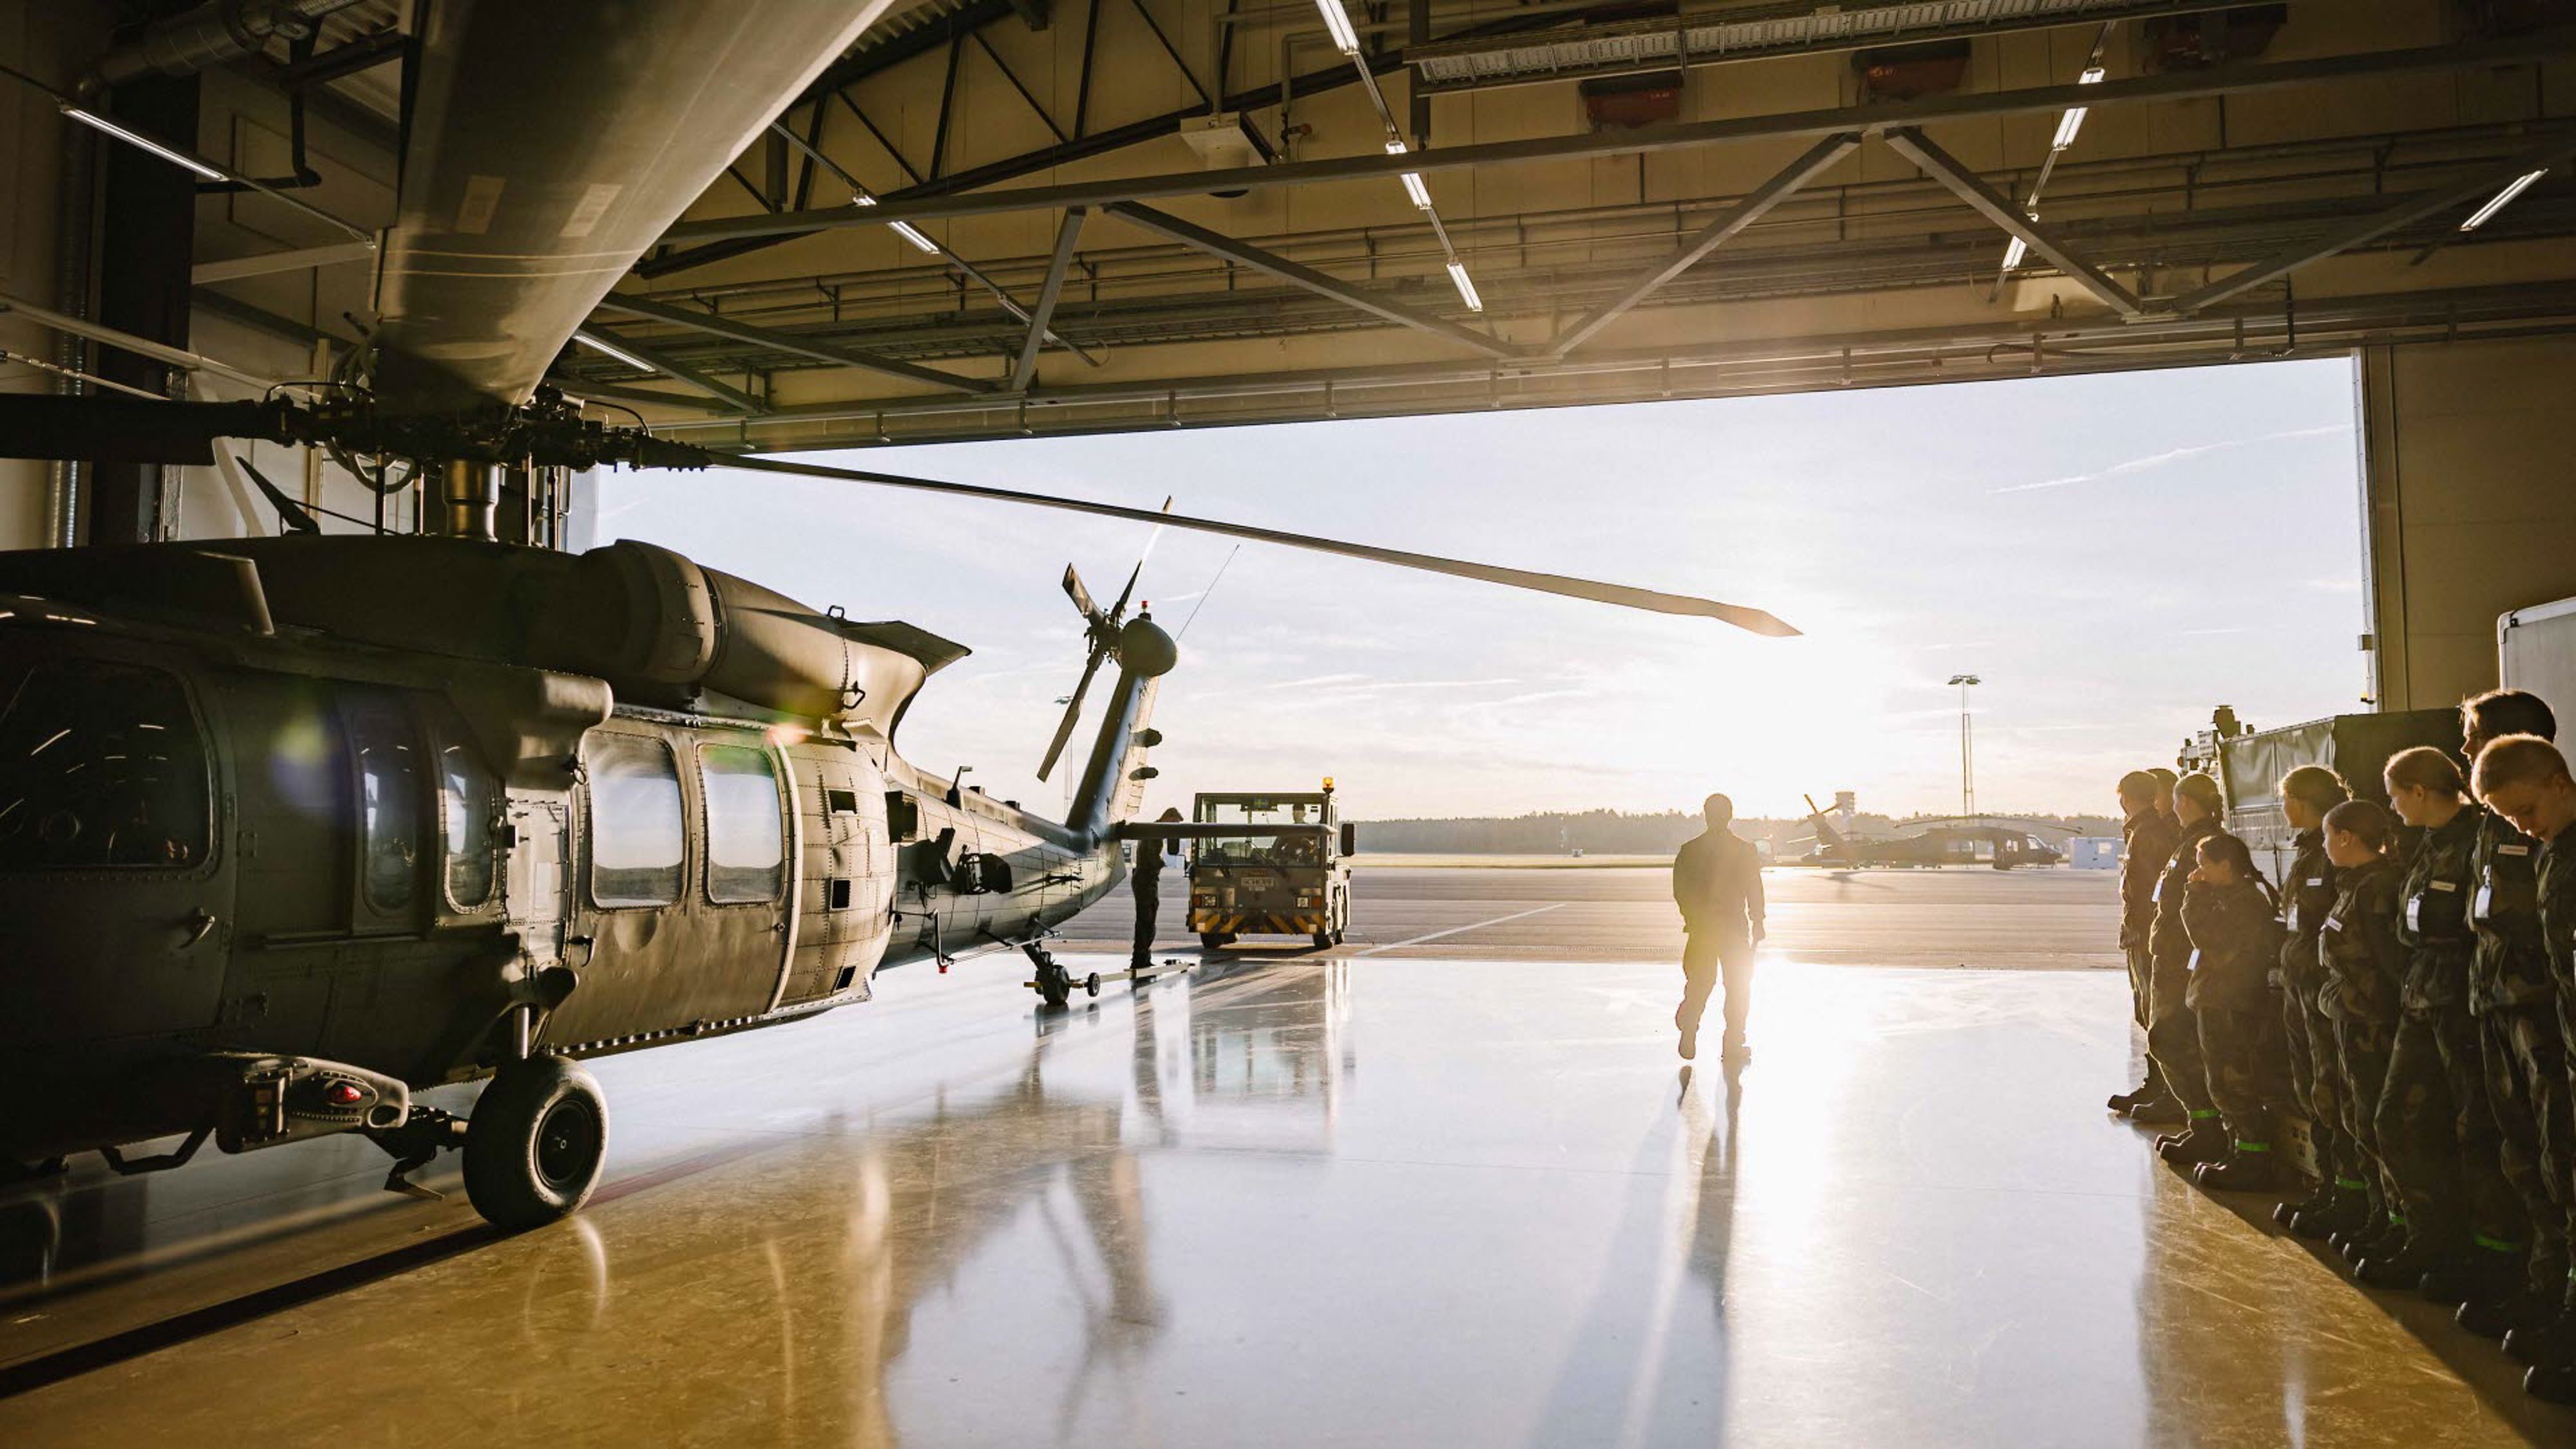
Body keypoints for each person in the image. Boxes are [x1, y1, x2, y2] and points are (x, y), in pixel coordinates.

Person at [2358, 747, 2528, 1302]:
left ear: (2420, 792)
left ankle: (2491, 1257)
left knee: (2475, 1131)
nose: (2391, 806)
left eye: (2395, 794)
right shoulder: (2427, 847)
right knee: (2397, 1120)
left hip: (2466, 1005)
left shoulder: (2482, 841)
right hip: (2423, 999)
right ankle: (2431, 1239)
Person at [2456, 692, 2572, 1350]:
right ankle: (2543, 1287)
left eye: (2472, 738)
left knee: (2561, 1170)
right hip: (2511, 1016)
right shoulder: (2515, 831)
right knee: (2528, 1162)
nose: (2466, 751)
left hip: (2549, 1030)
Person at [2316, 799, 2410, 1271]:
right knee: (2358, 1119)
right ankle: (2381, 1214)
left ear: (2347, 837)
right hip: (2352, 1018)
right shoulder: (2354, 886)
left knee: (2378, 1123)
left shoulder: (2377, 889)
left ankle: (2401, 1223)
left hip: (2375, 1023)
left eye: (2329, 835)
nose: (2326, 845)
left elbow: (2392, 964)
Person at [2275, 766, 2367, 1238]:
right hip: (2303, 990)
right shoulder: (2310, 851)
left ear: (2300, 800)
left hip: (2327, 993)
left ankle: (2350, 1193)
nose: (2283, 807)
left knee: (2334, 1093)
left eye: (2286, 798)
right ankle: (2331, 1186)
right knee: (2314, 1088)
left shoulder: (2335, 851)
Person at [2181, 830, 2292, 1191]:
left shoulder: (2243, 903)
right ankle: (2239, 1149)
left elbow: (2208, 940)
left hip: (2231, 1001)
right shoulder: (2230, 896)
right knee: (2222, 1082)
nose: (2197, 873)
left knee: (2232, 1083)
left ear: (2225, 866)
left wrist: (2193, 898)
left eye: (2203, 865)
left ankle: (2253, 1158)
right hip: (2221, 997)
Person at [2148, 772, 2227, 1166]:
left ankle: (2209, 1129)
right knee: (2170, 1039)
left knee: (2173, 1040)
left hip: (2184, 960)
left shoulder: (2202, 843)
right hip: (2176, 956)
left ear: (2184, 803)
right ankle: (2203, 1126)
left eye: (2176, 801)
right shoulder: (2190, 841)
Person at [2109, 770, 2184, 1121]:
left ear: (2125, 796)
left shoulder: (2147, 834)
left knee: (2158, 1015)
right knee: (2147, 1013)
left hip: (2149, 939)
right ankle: (2157, 1087)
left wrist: (2150, 933)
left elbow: (2155, 893)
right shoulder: (2142, 831)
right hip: (2142, 937)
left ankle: (2169, 1094)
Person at [1673, 793, 1765, 1065]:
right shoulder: (1745, 850)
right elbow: (1754, 888)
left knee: (1701, 981)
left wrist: (1692, 917)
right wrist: (1758, 920)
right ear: (1730, 816)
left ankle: (1690, 1020)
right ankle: (1733, 1043)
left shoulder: (1689, 850)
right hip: (1734, 930)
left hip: (1702, 929)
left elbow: (1680, 890)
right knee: (1737, 987)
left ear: (1705, 815)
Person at [1133, 807, 1186, 970]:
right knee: (1147, 918)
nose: (1175, 827)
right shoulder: (1156, 834)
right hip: (1146, 878)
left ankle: (1141, 956)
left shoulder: (1152, 830)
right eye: (1175, 822)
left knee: (1145, 918)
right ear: (1169, 818)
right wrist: (1162, 863)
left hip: (1142, 877)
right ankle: (1141, 957)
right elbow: (1152, 858)